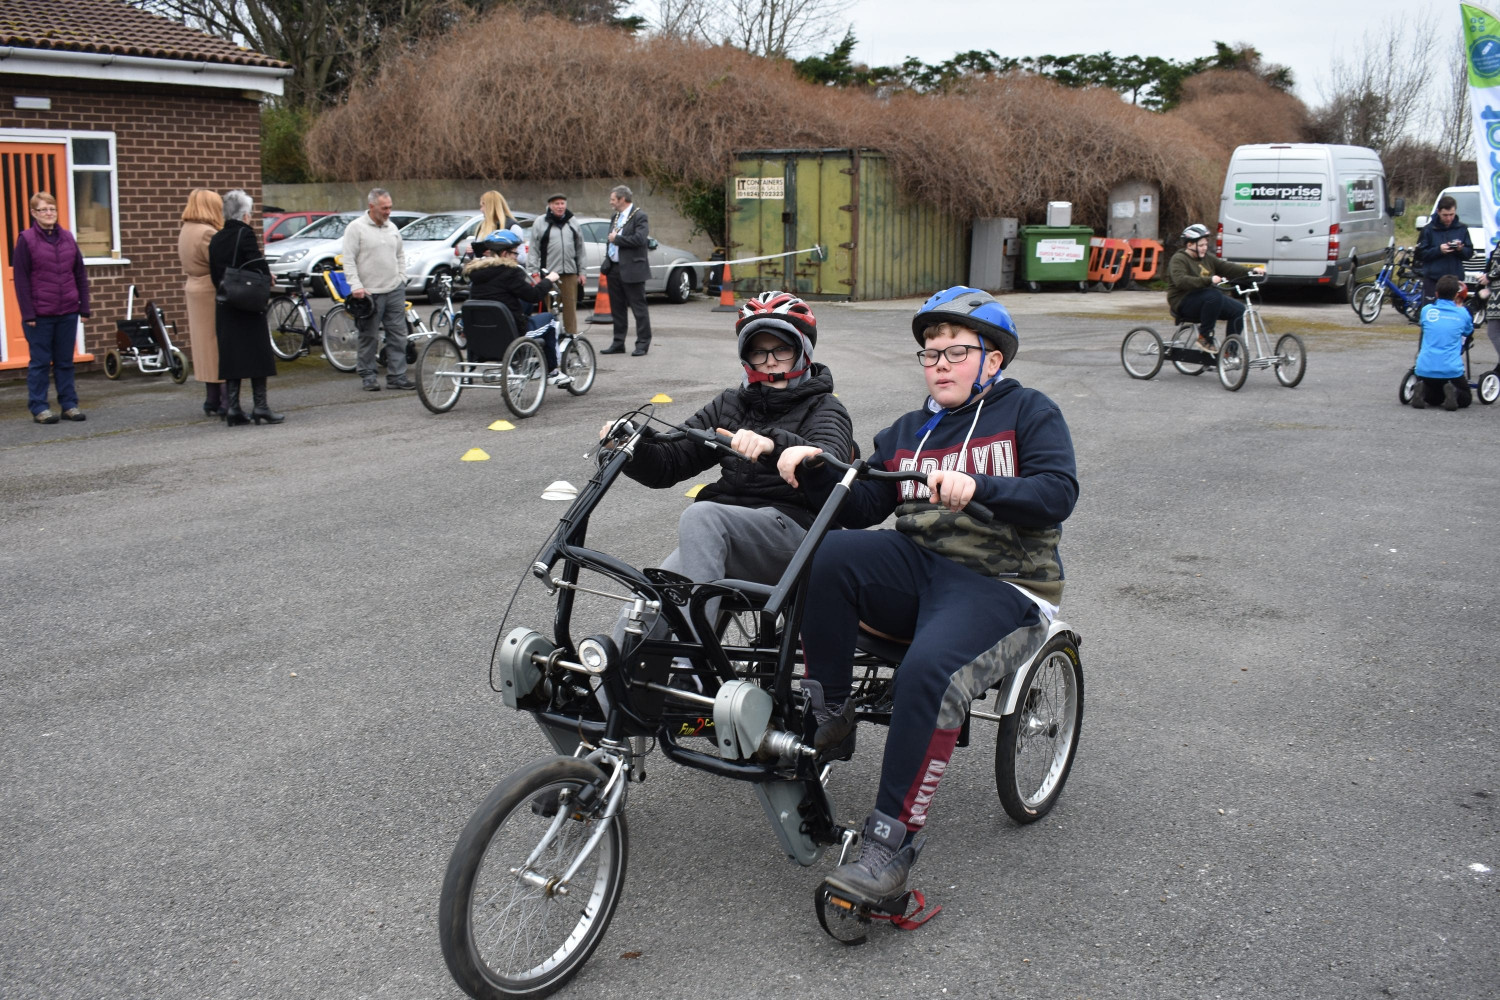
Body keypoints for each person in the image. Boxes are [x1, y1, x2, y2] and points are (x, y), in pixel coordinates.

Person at [775, 287, 1078, 906]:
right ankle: (832, 716)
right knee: (824, 553)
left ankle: (889, 844)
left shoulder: (1029, 413)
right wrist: (814, 470)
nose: (939, 363)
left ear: (993, 359)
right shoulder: (909, 430)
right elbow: (862, 507)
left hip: (1001, 584)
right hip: (919, 568)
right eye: (929, 353)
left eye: (956, 352)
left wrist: (981, 485)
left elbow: (1057, 493)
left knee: (928, 671)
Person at [601, 291, 852, 640]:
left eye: (781, 349)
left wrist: (774, 445)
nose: (769, 361)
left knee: (702, 514)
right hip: (725, 535)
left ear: (802, 351)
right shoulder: (730, 404)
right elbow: (670, 463)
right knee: (648, 601)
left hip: (797, 539)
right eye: (758, 351)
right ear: (745, 356)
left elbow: (833, 461)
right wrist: (632, 445)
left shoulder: (825, 408)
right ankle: (606, 690)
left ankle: (694, 669)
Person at [13, 191, 90, 424]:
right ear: (34, 213)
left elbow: (79, 273)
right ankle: (39, 407)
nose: (49, 213)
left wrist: (83, 308)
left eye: (52, 209)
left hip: (67, 310)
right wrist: (29, 313)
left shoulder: (67, 237)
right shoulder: (26, 239)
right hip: (40, 314)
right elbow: (21, 279)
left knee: (65, 361)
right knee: (40, 363)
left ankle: (69, 405)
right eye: (43, 210)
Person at [208, 190, 283, 426]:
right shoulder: (245, 233)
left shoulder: (216, 238)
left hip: (225, 303)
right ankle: (261, 406)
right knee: (257, 354)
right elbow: (256, 264)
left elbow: (214, 274)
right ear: (245, 215)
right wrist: (266, 275)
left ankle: (234, 408)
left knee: (232, 356)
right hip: (248, 304)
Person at [463, 229, 571, 385]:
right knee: (549, 320)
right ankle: (553, 372)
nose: (517, 257)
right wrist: (548, 280)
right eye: (515, 253)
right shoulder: (510, 273)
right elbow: (533, 295)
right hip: (512, 335)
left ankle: (510, 366)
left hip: (482, 337)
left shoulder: (476, 274)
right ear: (505, 254)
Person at [343, 187, 413, 391]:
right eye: (384, 208)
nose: (388, 212)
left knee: (398, 335)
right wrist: (356, 285)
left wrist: (402, 277)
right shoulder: (356, 228)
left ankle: (397, 376)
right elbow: (348, 259)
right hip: (369, 293)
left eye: (390, 207)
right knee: (369, 336)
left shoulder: (392, 228)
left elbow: (400, 254)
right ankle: (368, 376)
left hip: (394, 288)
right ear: (371, 206)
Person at [1167, 223, 1260, 354]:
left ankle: (1229, 352)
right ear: (1189, 245)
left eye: (1206, 244)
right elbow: (1181, 281)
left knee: (1239, 310)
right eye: (1201, 245)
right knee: (1214, 295)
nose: (1204, 248)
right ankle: (1204, 337)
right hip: (1183, 301)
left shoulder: (1207, 258)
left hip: (1206, 300)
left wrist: (1250, 272)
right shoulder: (1179, 259)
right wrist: (1209, 280)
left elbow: (1227, 267)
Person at [178, 188, 224, 417]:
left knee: (203, 346)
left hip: (194, 289)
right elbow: (218, 263)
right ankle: (224, 399)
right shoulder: (208, 232)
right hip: (209, 290)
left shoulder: (187, 229)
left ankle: (211, 398)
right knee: (217, 345)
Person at [600, 184, 652, 357]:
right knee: (617, 308)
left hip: (633, 269)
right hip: (614, 269)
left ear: (622, 199)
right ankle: (618, 342)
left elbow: (640, 239)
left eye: (613, 199)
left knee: (639, 309)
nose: (611, 202)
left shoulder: (639, 216)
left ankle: (642, 343)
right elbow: (610, 241)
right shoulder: (615, 217)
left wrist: (618, 239)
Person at [1411, 274, 1474, 411]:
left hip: (1425, 368)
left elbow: (1424, 326)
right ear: (1455, 296)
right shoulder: (1462, 313)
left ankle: (1423, 390)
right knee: (1466, 398)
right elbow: (1468, 331)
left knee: (1434, 399)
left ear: (1436, 293)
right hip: (1450, 369)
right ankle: (1454, 392)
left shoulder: (1426, 311)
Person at [532, 194, 585, 340]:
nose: (560, 206)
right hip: (549, 274)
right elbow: (533, 250)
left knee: (570, 309)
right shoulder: (541, 222)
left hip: (570, 273)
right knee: (549, 310)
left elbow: (580, 249)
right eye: (557, 204)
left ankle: (571, 339)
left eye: (562, 203)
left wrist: (582, 271)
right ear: (550, 205)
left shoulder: (572, 222)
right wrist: (534, 273)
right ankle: (548, 338)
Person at [1414, 195, 1473, 301]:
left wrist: (1460, 250)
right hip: (1433, 280)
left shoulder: (1462, 229)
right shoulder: (1428, 230)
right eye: (1445, 215)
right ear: (1438, 211)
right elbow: (1419, 254)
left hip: (1455, 279)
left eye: (1452, 214)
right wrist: (1438, 250)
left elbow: (1469, 254)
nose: (1449, 218)